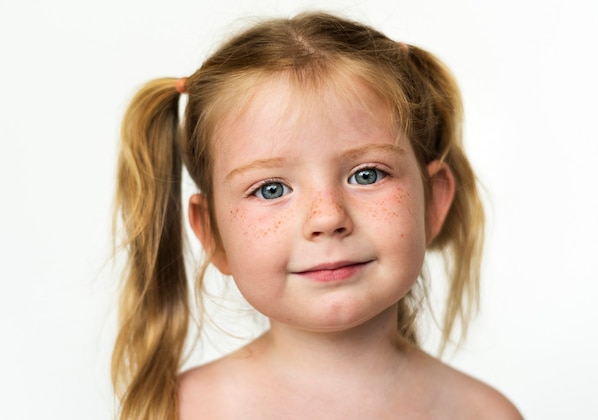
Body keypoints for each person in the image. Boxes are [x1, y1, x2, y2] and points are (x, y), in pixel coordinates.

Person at [112, 11, 522, 419]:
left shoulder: (484, 414)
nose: (327, 218)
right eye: (271, 189)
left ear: (432, 201)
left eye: (367, 175)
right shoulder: (180, 413)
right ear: (214, 234)